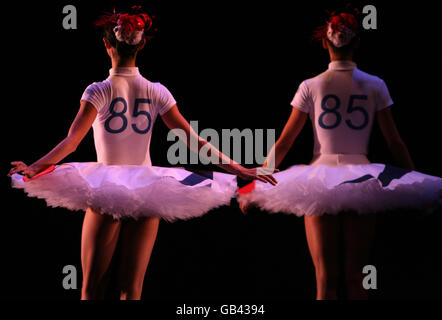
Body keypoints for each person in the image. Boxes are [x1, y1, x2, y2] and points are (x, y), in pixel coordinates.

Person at [8, 7, 276, 300]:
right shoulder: (156, 90)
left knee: (91, 289)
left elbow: (72, 142)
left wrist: (34, 167)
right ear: (142, 43)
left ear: (107, 44)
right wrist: (241, 169)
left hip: (106, 187)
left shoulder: (99, 90)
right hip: (149, 189)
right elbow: (194, 141)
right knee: (132, 290)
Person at [238, 11, 441, 300]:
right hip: (363, 179)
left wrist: (255, 181)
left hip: (319, 181)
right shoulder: (375, 84)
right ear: (357, 43)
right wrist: (416, 184)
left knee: (325, 281)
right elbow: (395, 142)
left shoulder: (311, 85)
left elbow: (285, 141)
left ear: (324, 43)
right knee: (356, 277)